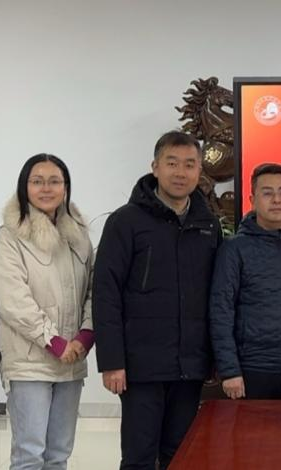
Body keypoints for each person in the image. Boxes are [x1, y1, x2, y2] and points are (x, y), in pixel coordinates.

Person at [93, 131, 221, 469]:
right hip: (140, 366)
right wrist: (112, 361)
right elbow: (106, 293)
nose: (181, 172)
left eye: (189, 164)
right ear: (155, 167)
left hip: (189, 366)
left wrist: (214, 357)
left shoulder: (208, 225)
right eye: (172, 163)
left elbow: (215, 295)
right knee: (139, 456)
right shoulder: (125, 221)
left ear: (199, 171)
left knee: (180, 454)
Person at [0, 153, 95, 468]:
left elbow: (94, 290)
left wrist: (85, 335)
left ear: (66, 187)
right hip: (29, 361)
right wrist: (53, 341)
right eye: (37, 181)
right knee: (29, 454)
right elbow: (12, 300)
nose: (46, 188)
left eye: (54, 181)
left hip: (71, 361)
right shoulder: (11, 236)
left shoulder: (78, 234)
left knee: (58, 455)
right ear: (25, 187)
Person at [210, 163, 281, 400]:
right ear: (252, 200)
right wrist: (229, 370)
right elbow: (221, 311)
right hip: (251, 370)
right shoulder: (233, 249)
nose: (276, 200)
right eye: (267, 193)